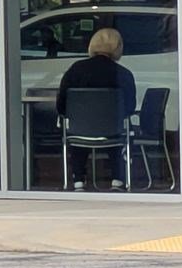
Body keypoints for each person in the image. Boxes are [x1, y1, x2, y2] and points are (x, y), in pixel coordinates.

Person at [55, 27, 138, 189]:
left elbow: (61, 104)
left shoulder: (75, 70)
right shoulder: (123, 74)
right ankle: (118, 179)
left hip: (79, 130)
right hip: (112, 130)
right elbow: (129, 107)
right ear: (118, 47)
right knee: (118, 130)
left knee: (80, 128)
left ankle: (78, 179)